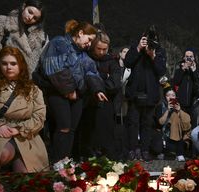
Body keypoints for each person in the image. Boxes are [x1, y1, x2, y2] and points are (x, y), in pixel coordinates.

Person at [0, 47, 49, 189]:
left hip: (25, 134)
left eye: (13, 63)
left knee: (26, 185)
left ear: (21, 65)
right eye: (4, 63)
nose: (8, 67)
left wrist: (19, 129)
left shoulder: (33, 89)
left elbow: (39, 116)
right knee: (1, 154)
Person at [40, 19, 106, 162]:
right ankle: (57, 163)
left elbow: (91, 71)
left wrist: (97, 89)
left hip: (77, 95)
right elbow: (55, 68)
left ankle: (66, 161)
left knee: (72, 130)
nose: (89, 44)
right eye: (88, 40)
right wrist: (69, 91)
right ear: (80, 33)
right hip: (58, 94)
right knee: (63, 127)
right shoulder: (59, 43)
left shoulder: (82, 54)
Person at [124, 25, 167, 161]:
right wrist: (138, 48)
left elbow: (161, 71)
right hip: (135, 93)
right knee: (133, 123)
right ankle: (132, 149)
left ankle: (144, 150)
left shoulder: (159, 51)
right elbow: (128, 62)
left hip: (151, 94)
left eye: (153, 39)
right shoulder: (136, 48)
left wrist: (153, 56)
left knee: (147, 124)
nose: (149, 42)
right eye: (147, 39)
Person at [0, 0, 48, 76]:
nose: (30, 17)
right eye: (30, 12)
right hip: (3, 77)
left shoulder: (42, 37)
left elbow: (41, 62)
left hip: (26, 82)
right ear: (24, 6)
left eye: (35, 18)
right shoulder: (3, 22)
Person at [85, 30, 122, 159]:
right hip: (88, 104)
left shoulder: (112, 61)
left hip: (107, 104)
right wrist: (103, 77)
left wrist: (96, 81)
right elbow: (84, 80)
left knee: (106, 137)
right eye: (98, 48)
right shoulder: (86, 58)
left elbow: (115, 84)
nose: (101, 52)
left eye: (104, 49)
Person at [156, 87, 191, 162]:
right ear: (165, 97)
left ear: (176, 97)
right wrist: (167, 110)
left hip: (178, 134)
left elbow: (187, 124)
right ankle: (175, 152)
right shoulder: (160, 106)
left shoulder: (179, 105)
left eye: (173, 95)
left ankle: (179, 152)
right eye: (168, 95)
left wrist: (179, 111)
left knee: (176, 116)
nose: (171, 97)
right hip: (163, 133)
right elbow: (160, 122)